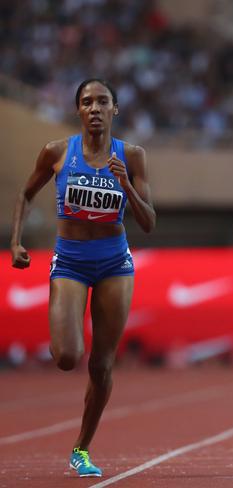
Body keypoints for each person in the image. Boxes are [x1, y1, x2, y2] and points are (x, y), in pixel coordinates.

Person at [10, 79, 156, 477]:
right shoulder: (57, 152)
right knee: (67, 357)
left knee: (102, 365)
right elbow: (25, 194)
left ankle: (81, 448)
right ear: (78, 110)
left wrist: (126, 184)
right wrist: (17, 241)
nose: (94, 108)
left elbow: (148, 223)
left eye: (102, 101)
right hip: (71, 262)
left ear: (115, 110)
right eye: (87, 102)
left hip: (114, 264)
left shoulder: (132, 156)